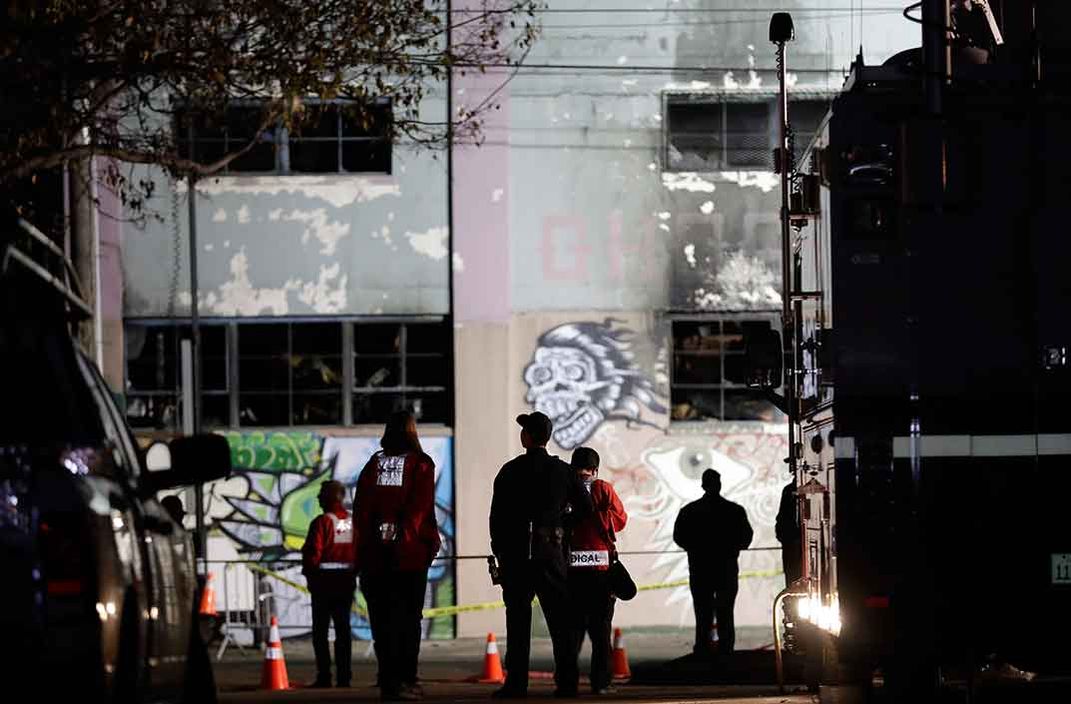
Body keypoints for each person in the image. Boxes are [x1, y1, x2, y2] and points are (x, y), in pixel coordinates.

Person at [489, 412, 592, 699]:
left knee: (518, 622)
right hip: (550, 554)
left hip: (516, 556)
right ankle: (567, 683)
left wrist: (499, 550)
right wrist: (561, 525)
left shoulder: (509, 471)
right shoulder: (562, 472)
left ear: (527, 437)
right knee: (561, 622)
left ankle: (516, 684)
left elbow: (496, 518)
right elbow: (586, 508)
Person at [355, 411, 440, 701]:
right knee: (408, 620)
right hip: (409, 557)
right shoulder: (421, 465)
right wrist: (405, 540)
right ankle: (407, 678)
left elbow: (361, 511)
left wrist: (369, 548)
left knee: (382, 620)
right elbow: (420, 509)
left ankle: (388, 680)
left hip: (374, 558)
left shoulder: (373, 465)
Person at [566, 447, 627, 696]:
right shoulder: (604, 489)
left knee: (572, 632)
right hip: (601, 571)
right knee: (601, 632)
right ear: (595, 469)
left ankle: (567, 684)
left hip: (571, 573)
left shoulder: (565, 490)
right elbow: (620, 520)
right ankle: (601, 683)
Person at [673, 469, 753, 654]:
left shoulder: (690, 511)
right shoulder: (734, 511)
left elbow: (679, 537)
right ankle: (726, 651)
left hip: (700, 569)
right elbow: (746, 537)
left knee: (703, 614)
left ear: (703, 485)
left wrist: (696, 549)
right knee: (726, 612)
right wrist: (731, 549)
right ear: (719, 484)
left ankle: (702, 650)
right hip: (727, 569)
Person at [301, 480, 357, 688]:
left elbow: (312, 554)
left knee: (320, 631)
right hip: (346, 582)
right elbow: (360, 553)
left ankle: (324, 676)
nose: (318, 497)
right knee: (343, 631)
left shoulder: (321, 522)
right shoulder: (352, 522)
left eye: (321, 494)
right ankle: (345, 677)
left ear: (330, 497)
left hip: (324, 583)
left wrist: (310, 576)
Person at [775, 480, 803, 586]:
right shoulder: (789, 491)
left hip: (791, 550)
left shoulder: (788, 490)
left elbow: (781, 524)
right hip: (792, 550)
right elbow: (781, 523)